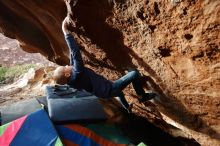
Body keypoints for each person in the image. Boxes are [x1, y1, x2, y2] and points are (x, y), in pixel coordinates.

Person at [53, 17, 157, 113]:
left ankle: (127, 108)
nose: (67, 65)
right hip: (110, 88)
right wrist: (65, 32)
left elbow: (72, 60)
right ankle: (142, 96)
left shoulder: (72, 81)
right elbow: (75, 53)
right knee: (134, 74)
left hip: (104, 93)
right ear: (67, 74)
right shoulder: (77, 72)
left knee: (120, 94)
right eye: (65, 67)